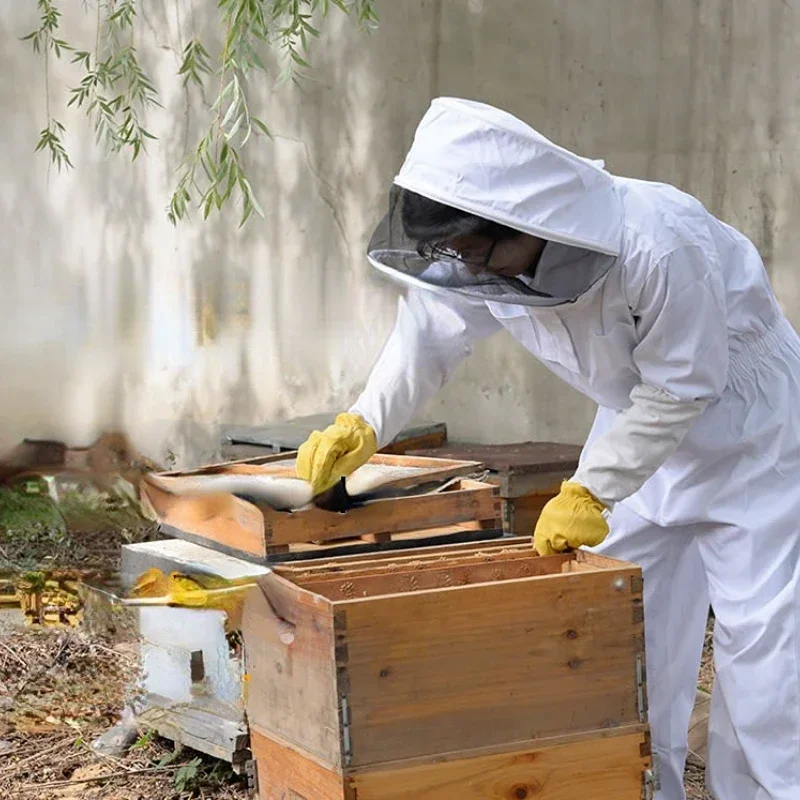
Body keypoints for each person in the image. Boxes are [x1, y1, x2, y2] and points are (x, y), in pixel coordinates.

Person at [296, 97, 800, 800]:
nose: (465, 268)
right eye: (455, 254)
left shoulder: (661, 240)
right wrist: (366, 421)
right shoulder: (485, 254)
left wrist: (594, 487)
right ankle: (637, 787)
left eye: (475, 252)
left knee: (767, 658)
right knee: (617, 632)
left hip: (752, 438)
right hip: (635, 439)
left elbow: (685, 385)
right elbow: (430, 335)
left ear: (528, 223)